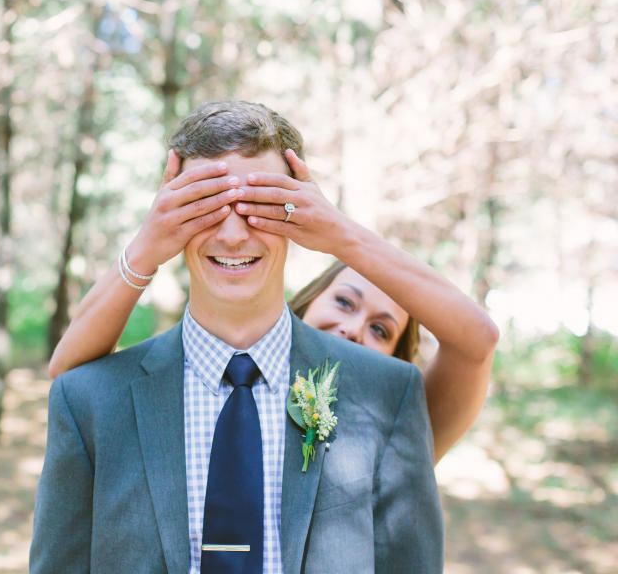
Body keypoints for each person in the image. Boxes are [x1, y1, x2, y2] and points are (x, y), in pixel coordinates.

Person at [31, 101, 444, 573]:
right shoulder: (87, 401)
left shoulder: (390, 395)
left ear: (297, 215)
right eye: (205, 206)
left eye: (258, 207)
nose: (231, 234)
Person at [47, 118, 499, 465]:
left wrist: (336, 231)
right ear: (311, 297)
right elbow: (70, 380)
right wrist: (149, 245)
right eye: (344, 302)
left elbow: (476, 340)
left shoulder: (397, 418)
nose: (352, 329)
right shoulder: (189, 381)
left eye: (382, 331)